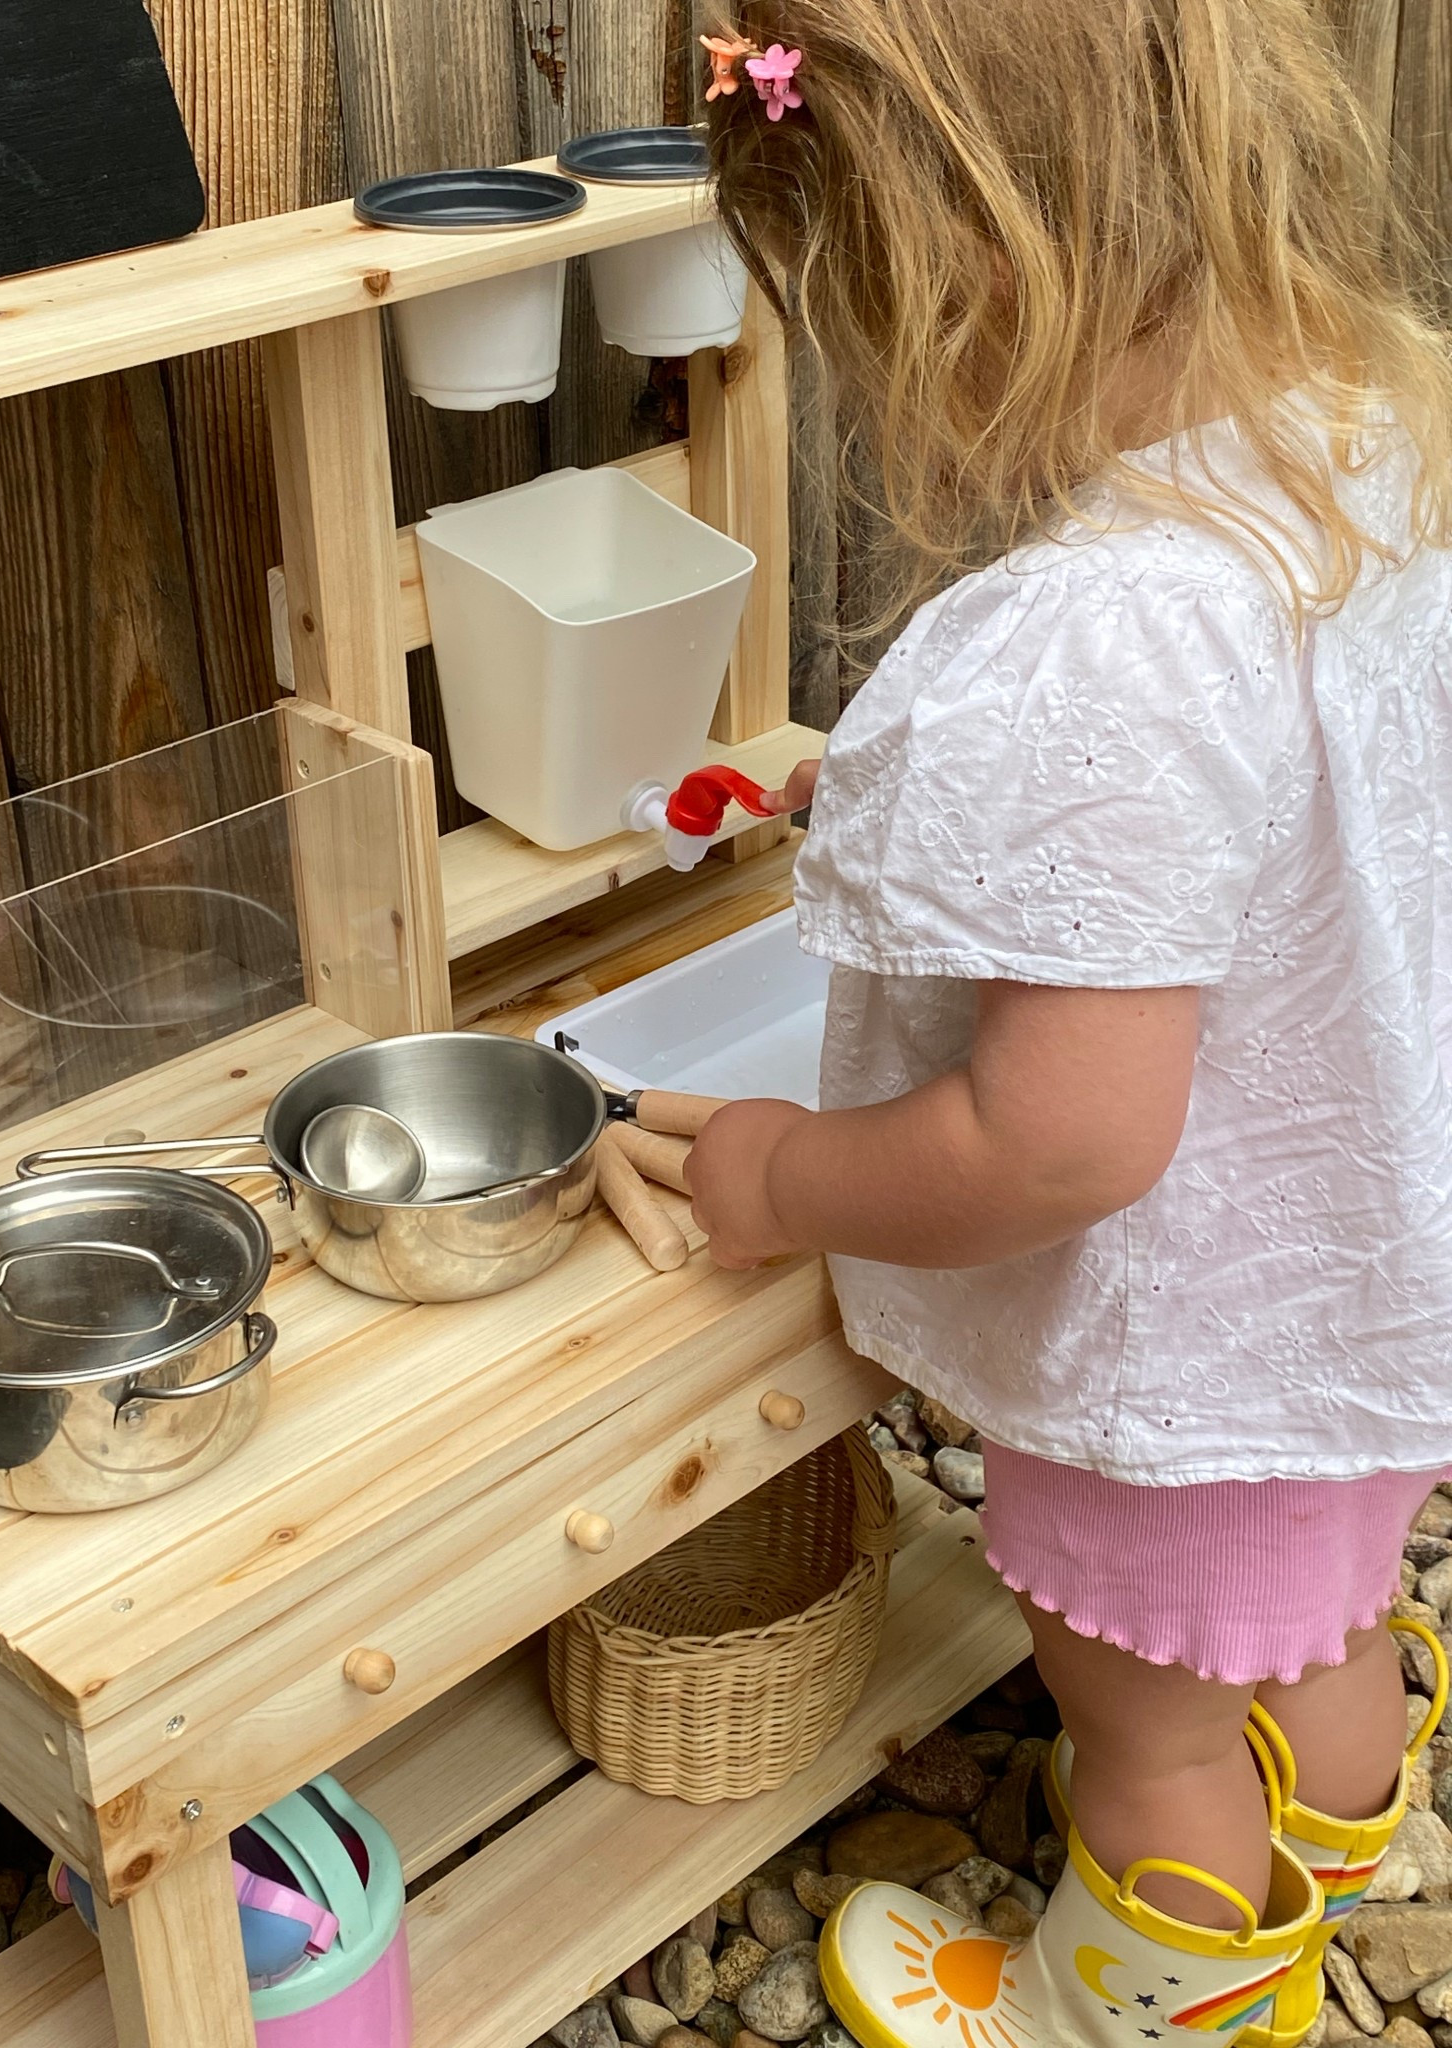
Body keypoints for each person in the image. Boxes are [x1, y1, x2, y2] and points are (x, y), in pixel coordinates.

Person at [685, 6, 1452, 2046]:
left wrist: (781, 1174)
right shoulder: (1375, 430)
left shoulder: (1103, 626)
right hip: (1351, 1283)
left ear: (984, 285)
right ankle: (1333, 1839)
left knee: (1150, 1720)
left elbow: (1056, 1144)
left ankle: (1135, 1995)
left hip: (1183, 1338)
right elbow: (1269, 821)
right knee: (1319, 1602)